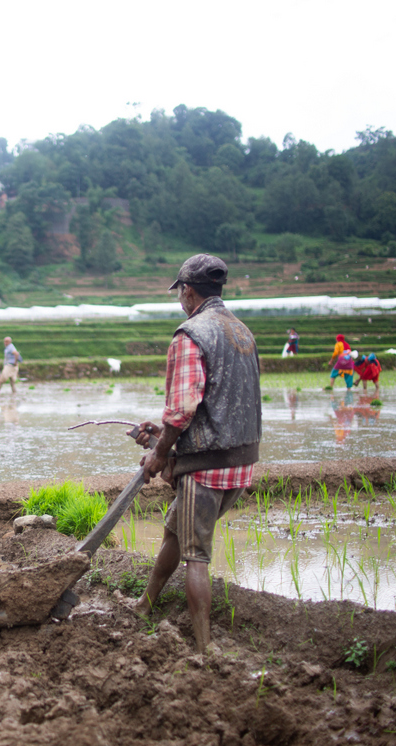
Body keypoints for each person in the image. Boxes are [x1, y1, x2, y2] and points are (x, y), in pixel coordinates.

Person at [131, 254, 261, 656]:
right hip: (240, 463)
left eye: (180, 293)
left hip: (206, 468)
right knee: (176, 529)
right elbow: (219, 403)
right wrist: (162, 436)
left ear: (187, 291)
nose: (180, 300)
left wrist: (159, 454)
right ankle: (144, 605)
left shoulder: (191, 334)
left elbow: (183, 408)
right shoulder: (241, 331)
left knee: (195, 556)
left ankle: (205, 649)